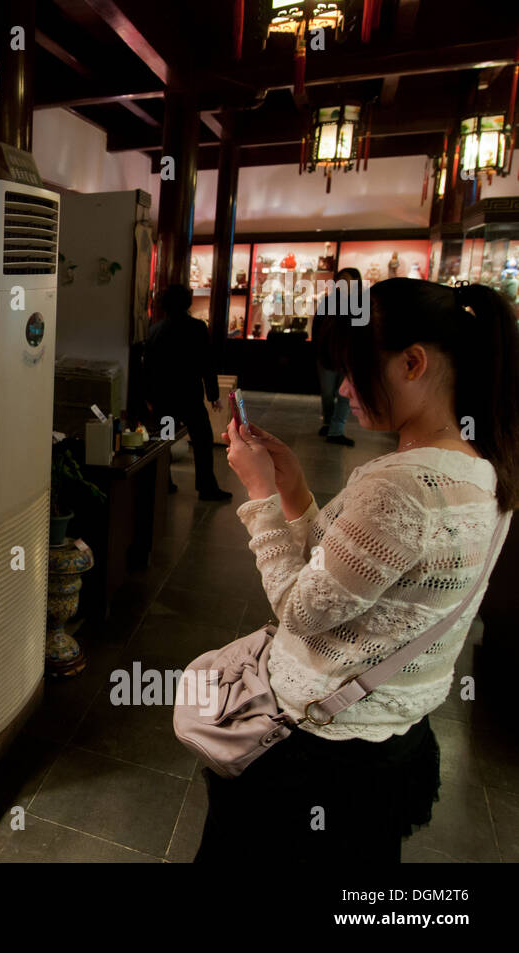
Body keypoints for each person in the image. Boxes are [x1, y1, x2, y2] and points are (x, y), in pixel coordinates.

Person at [196, 279, 517, 863]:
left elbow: (302, 608)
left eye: (353, 370)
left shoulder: (401, 485)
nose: (344, 387)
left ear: (413, 362)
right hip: (393, 734)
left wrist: (260, 492)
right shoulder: (482, 470)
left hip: (323, 750)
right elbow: (356, 581)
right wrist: (294, 490)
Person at [145, 285, 232, 501]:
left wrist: (149, 397)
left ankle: (163, 482)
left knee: (164, 442)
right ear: (187, 303)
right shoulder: (196, 327)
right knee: (202, 441)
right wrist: (213, 395)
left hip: (163, 398)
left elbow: (149, 368)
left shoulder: (155, 330)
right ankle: (206, 487)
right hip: (189, 397)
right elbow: (206, 363)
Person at [312, 267, 360, 446]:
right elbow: (317, 327)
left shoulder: (360, 303)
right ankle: (328, 422)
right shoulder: (328, 302)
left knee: (345, 395)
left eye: (347, 279)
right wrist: (318, 348)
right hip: (327, 354)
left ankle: (336, 429)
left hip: (348, 357)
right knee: (327, 393)